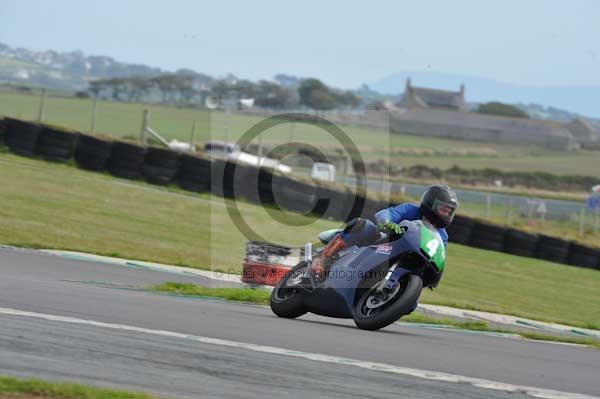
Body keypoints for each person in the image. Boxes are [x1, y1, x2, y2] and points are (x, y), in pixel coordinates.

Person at [312, 184, 459, 278]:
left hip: (408, 256)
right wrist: (387, 223)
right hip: (382, 241)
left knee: (411, 306)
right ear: (430, 203)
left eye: (449, 211)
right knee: (363, 225)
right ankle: (323, 257)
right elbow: (384, 214)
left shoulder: (442, 236)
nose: (446, 214)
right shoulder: (410, 209)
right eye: (443, 209)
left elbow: (439, 255)